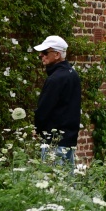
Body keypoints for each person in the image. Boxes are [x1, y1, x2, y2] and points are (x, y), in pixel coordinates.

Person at [34, 35, 81, 165]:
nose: (41, 56)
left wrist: (38, 130)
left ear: (57, 54)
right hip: (69, 139)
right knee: (66, 181)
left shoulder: (55, 79)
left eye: (44, 52)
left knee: (52, 181)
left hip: (54, 142)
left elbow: (43, 110)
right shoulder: (72, 74)